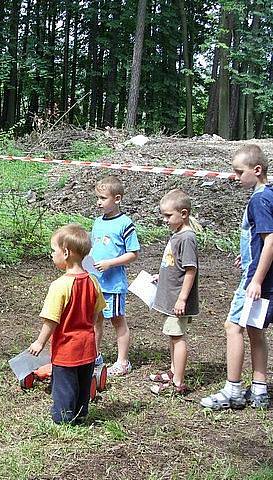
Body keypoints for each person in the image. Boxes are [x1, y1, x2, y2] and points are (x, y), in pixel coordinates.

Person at [200, 145, 272, 410]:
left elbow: (270, 241)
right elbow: (260, 239)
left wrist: (255, 279)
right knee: (255, 328)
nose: (235, 176)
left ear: (257, 170)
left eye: (239, 172)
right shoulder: (268, 195)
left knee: (233, 327)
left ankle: (233, 390)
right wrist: (246, 253)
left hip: (256, 278)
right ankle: (260, 390)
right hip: (261, 273)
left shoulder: (259, 199)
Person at [29, 224, 106, 424]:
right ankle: (80, 415)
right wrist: (95, 341)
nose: (51, 255)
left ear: (65, 253)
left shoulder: (59, 286)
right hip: (87, 348)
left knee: (64, 386)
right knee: (82, 383)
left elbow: (51, 319)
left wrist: (39, 342)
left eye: (53, 250)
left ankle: (63, 420)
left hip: (66, 349)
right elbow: (98, 316)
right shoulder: (93, 282)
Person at [86, 176, 140, 376]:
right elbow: (94, 248)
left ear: (117, 199)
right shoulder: (97, 222)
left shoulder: (125, 223)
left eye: (103, 198)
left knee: (118, 321)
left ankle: (123, 361)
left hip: (113, 285)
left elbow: (133, 253)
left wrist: (110, 263)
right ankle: (94, 355)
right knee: (95, 319)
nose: (98, 202)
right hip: (95, 282)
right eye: (97, 198)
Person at [149, 189, 199, 395]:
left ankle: (177, 383)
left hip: (177, 300)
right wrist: (162, 276)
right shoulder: (177, 235)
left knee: (178, 338)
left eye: (168, 215)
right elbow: (176, 265)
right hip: (170, 296)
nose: (165, 220)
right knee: (172, 336)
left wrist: (182, 299)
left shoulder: (187, 238)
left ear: (184, 213)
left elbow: (190, 270)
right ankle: (172, 371)